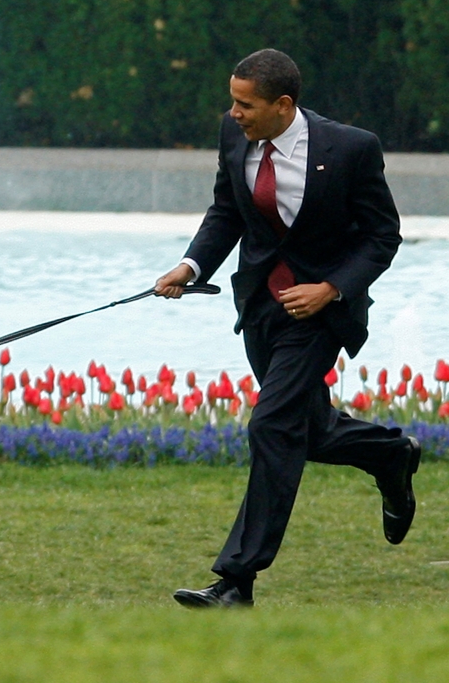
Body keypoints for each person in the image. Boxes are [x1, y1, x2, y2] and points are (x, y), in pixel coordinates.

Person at [154, 48, 420, 608]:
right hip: (260, 309)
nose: (234, 113)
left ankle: (236, 581)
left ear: (283, 105)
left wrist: (331, 288)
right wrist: (192, 266)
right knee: (310, 432)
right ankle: (390, 455)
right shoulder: (234, 138)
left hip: (321, 314)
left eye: (244, 104)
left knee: (272, 427)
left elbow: (382, 236)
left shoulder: (351, 148)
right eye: (232, 101)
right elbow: (227, 212)